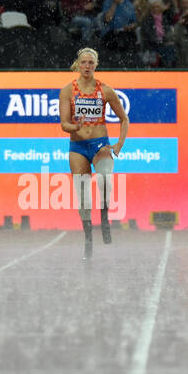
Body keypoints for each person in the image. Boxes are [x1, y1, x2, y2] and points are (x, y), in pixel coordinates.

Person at [58, 47, 129, 260]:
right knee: (82, 196)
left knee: (106, 179)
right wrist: (75, 126)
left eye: (91, 62)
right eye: (84, 62)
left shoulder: (105, 90)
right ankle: (88, 236)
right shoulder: (67, 90)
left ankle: (105, 217)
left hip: (100, 145)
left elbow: (124, 119)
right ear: (77, 65)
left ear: (96, 65)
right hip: (78, 147)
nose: (87, 66)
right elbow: (64, 124)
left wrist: (118, 145)